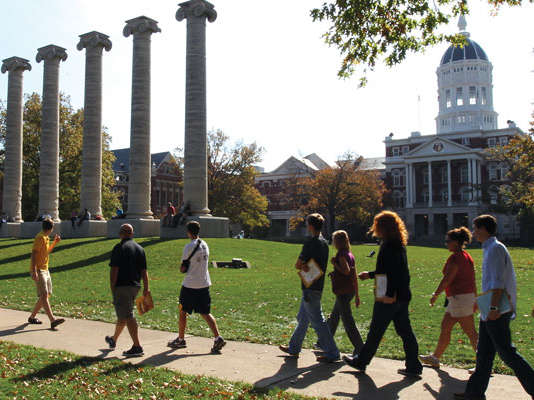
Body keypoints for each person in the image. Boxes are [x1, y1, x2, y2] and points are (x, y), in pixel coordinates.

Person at [455, 215, 534, 400]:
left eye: (475, 228)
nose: (474, 232)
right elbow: (492, 283)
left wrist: (493, 308)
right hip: (490, 309)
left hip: (497, 310)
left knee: (507, 353)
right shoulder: (490, 248)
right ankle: (474, 393)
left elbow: (497, 283)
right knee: (484, 353)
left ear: (484, 229)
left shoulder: (495, 249)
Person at [344, 211, 422, 377]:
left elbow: (390, 273)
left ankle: (361, 361)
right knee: (405, 332)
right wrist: (370, 275)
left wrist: (389, 294)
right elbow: (394, 271)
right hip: (402, 295)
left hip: (389, 295)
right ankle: (414, 365)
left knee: (376, 331)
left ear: (383, 227)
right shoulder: (399, 245)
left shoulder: (388, 246)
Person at [279, 213, 340, 363]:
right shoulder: (324, 243)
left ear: (310, 226)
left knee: (317, 321)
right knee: (303, 318)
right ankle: (294, 348)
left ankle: (332, 352)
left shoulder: (310, 243)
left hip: (309, 287)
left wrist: (302, 265)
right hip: (318, 285)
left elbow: (298, 264)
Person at [419, 227, 478, 369]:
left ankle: (484, 364)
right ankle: (435, 357)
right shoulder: (466, 256)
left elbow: (447, 279)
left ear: (456, 242)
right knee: (446, 326)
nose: (446, 243)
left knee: (471, 332)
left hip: (460, 299)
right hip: (460, 298)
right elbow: (472, 279)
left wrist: (435, 294)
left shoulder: (456, 258)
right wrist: (475, 298)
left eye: (448, 241)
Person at [167, 221, 226, 353]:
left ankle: (181, 339)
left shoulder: (189, 246)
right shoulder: (204, 244)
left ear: (188, 232)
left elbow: (182, 268)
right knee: (205, 312)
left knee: (183, 311)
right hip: (204, 283)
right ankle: (218, 337)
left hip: (190, 285)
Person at [105, 224, 150, 357]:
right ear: (132, 233)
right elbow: (144, 271)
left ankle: (137, 346)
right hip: (135, 286)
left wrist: (112, 287)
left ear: (121, 234)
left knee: (128, 315)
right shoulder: (140, 249)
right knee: (124, 314)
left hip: (122, 286)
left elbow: (114, 270)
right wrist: (146, 288)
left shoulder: (119, 248)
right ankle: (113, 339)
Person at [316, 230, 364, 355]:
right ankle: (323, 343)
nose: (333, 243)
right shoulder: (349, 254)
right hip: (349, 290)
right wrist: (357, 294)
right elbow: (353, 274)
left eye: (334, 240)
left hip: (343, 291)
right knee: (334, 317)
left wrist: (334, 264)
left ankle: (360, 348)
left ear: (338, 242)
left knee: (347, 321)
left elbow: (346, 271)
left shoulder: (342, 255)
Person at [27, 219, 65, 329]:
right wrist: (34, 270)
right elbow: (34, 254)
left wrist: (55, 242)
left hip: (45, 269)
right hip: (39, 270)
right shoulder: (40, 237)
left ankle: (32, 317)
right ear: (51, 228)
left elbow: (46, 252)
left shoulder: (46, 237)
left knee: (46, 295)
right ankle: (52, 320)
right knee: (44, 295)